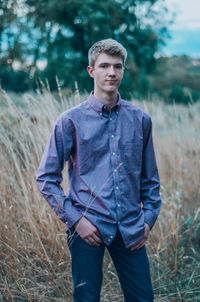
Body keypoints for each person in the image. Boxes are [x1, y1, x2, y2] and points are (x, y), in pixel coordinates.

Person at [36, 38, 161, 302]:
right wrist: (77, 221)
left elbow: (150, 181)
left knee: (143, 298)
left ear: (123, 70)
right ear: (91, 71)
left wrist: (147, 220)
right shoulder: (70, 120)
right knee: (86, 298)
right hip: (86, 226)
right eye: (104, 66)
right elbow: (46, 178)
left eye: (117, 66)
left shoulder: (141, 120)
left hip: (130, 227)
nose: (112, 73)